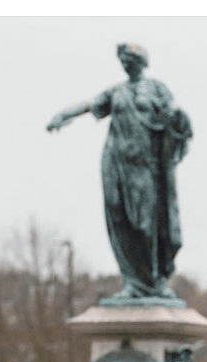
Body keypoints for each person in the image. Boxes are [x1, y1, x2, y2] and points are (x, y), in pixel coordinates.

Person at [47, 42, 193, 302]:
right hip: (116, 163)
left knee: (146, 224)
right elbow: (90, 104)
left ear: (141, 61)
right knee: (120, 218)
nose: (125, 63)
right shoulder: (117, 92)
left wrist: (178, 117)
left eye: (129, 58)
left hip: (146, 166)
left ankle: (154, 282)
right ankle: (133, 283)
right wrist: (62, 115)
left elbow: (176, 118)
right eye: (122, 60)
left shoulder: (156, 89)